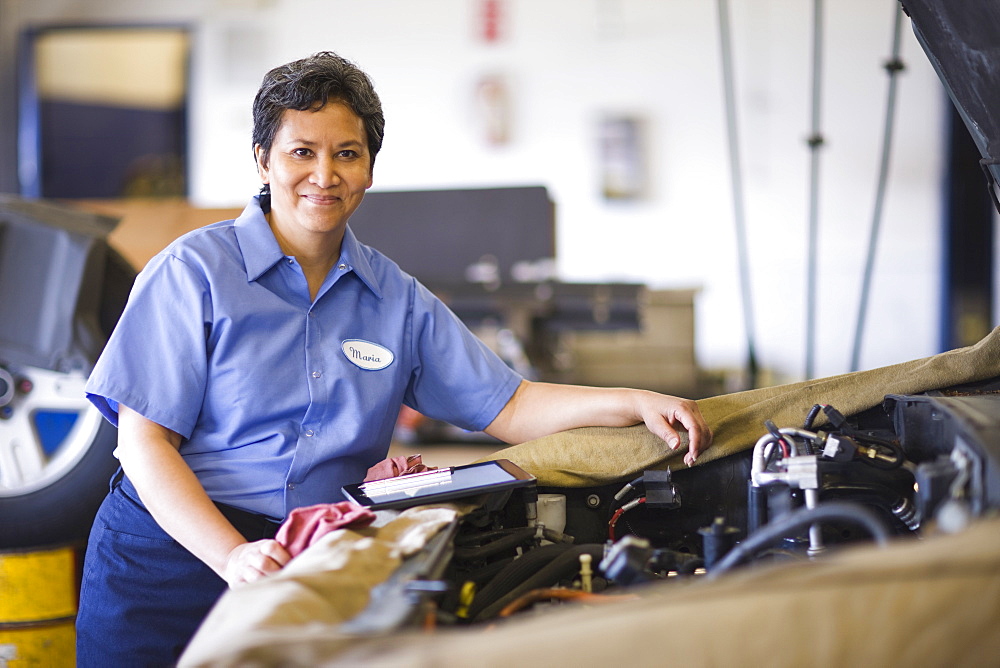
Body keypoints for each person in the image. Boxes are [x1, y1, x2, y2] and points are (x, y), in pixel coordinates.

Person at [75, 51, 712, 666]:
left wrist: (634, 402)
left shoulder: (396, 299)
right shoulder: (192, 273)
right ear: (262, 161)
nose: (324, 175)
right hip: (168, 560)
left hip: (310, 560)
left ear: (370, 169)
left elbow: (511, 405)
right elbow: (143, 444)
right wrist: (233, 556)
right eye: (302, 152)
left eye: (346, 154)